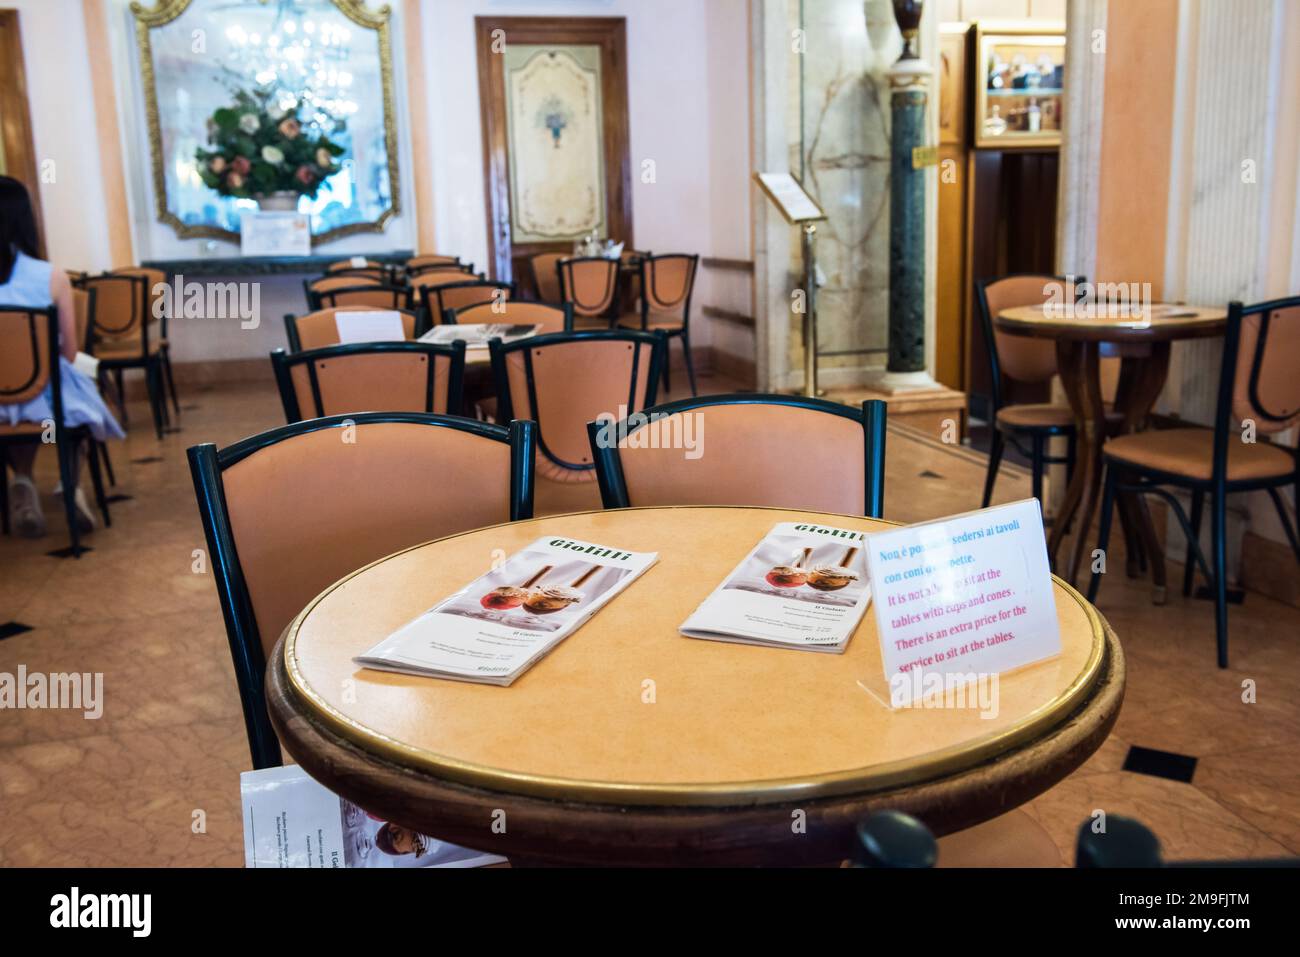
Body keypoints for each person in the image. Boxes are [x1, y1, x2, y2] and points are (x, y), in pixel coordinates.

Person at [0, 175, 124, 537]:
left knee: (15, 411)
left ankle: (21, 480)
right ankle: (70, 485)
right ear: (27, 219)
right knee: (81, 399)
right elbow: (69, 352)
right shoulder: (51, 277)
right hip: (46, 401)